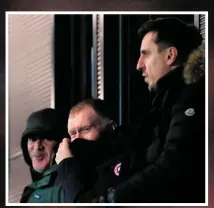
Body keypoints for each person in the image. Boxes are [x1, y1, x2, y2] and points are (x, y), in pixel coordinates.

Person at [105, 17, 205, 203]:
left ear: (170, 55)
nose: (139, 65)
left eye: (146, 54)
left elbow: (172, 164)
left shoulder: (192, 98)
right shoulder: (167, 100)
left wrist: (114, 197)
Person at [55, 98, 124, 202]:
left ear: (110, 128)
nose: (77, 139)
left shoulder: (126, 160)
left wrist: (67, 165)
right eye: (73, 134)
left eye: (86, 129)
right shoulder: (72, 172)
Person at [20, 108, 68, 203]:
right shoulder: (38, 187)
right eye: (32, 139)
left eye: (46, 138)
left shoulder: (65, 187)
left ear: (61, 143)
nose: (38, 146)